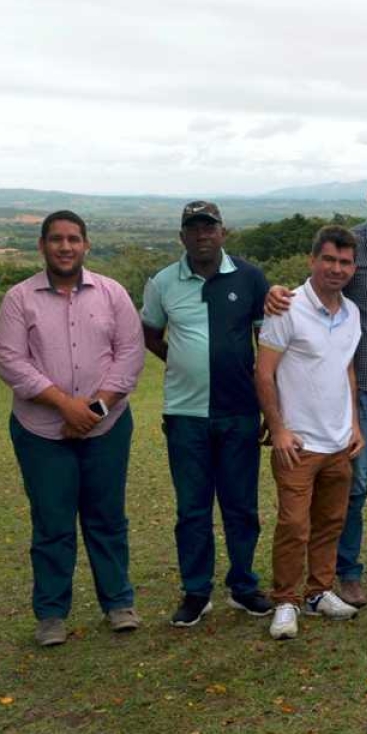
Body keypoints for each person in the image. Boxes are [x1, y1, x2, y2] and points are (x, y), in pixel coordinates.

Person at [265, 160, 367, 601]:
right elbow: (318, 288)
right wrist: (277, 291)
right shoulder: (351, 247)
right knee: (354, 487)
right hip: (363, 392)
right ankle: (348, 571)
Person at [0, 210, 145, 646]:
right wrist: (65, 406)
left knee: (107, 518)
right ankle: (51, 614)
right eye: (56, 239)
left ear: (85, 245)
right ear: (42, 246)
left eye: (73, 239)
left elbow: (130, 355)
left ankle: (118, 603)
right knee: (52, 523)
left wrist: (93, 410)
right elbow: (10, 361)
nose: (65, 246)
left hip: (107, 428)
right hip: (41, 431)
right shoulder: (19, 299)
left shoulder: (112, 293)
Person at [141, 201, 273, 626]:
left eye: (209, 227)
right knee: (192, 510)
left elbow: (266, 345)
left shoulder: (250, 278)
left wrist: (272, 406)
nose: (202, 235)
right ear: (182, 236)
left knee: (241, 506)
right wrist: (184, 361)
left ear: (223, 232)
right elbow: (151, 334)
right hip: (185, 414)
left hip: (240, 411)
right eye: (193, 228)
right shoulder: (162, 283)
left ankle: (243, 585)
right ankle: (197, 591)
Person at [256, 226, 365, 639]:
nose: (336, 269)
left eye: (345, 262)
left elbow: (346, 369)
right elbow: (263, 372)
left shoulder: (352, 313)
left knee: (330, 522)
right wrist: (279, 429)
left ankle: (319, 592)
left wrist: (354, 423)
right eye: (329, 260)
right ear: (312, 260)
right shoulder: (287, 307)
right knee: (293, 526)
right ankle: (286, 600)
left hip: (339, 441)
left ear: (353, 267)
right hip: (298, 444)